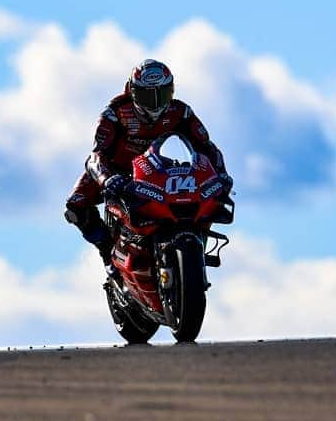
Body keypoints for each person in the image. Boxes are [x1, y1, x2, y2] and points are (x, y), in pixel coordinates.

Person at [64, 58, 232, 267]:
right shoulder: (115, 113)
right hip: (116, 172)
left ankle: (195, 243)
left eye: (160, 94)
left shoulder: (181, 112)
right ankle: (107, 251)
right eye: (147, 95)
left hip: (157, 171)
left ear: (171, 91)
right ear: (133, 92)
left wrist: (221, 174)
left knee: (209, 195)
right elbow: (97, 155)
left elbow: (206, 147)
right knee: (74, 207)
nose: (155, 103)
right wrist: (107, 179)